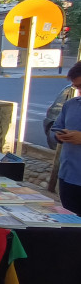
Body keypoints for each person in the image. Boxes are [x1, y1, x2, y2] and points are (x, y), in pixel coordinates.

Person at [54, 61, 81, 216]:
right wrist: (59, 135)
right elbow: (56, 128)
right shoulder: (71, 105)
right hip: (68, 177)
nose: (79, 90)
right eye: (77, 87)